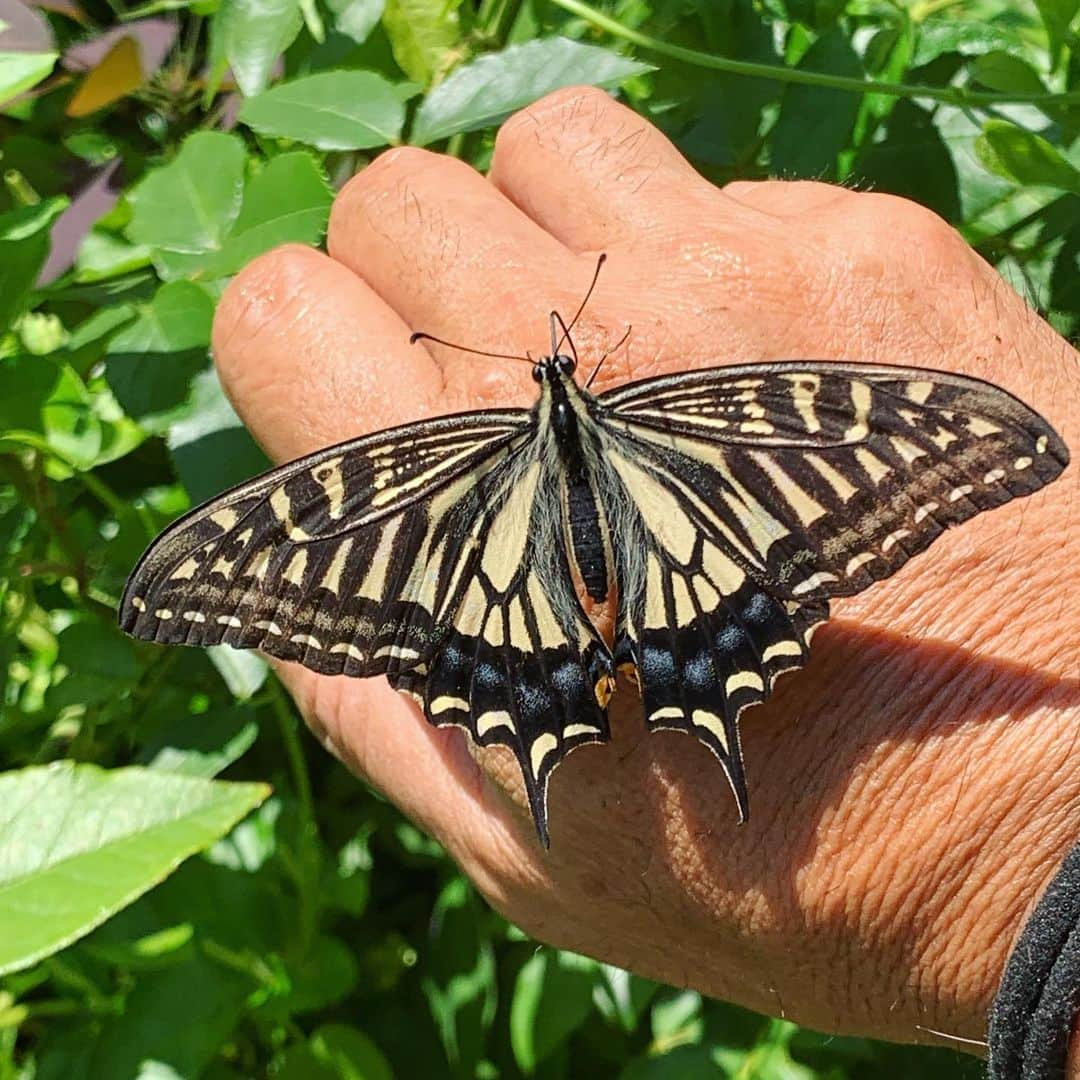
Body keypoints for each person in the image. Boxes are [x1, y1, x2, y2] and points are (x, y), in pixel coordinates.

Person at [211, 86, 1079, 1061]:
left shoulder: (452, 459)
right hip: (688, 586)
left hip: (523, 622)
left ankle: (586, 681)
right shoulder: (699, 412)